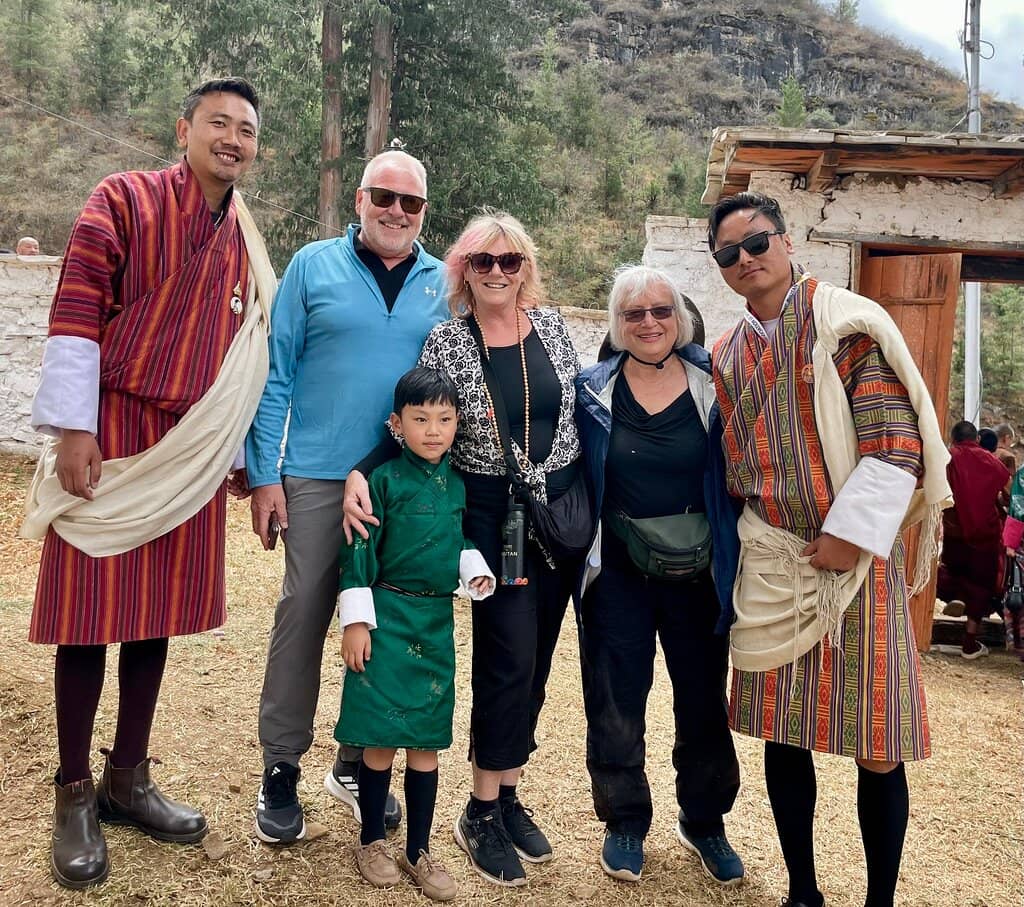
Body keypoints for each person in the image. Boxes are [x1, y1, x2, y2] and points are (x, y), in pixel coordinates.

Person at [19, 77, 273, 889]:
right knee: (90, 614)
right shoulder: (122, 199)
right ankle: (73, 791)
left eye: (246, 131)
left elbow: (246, 351)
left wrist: (233, 448)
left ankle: (128, 774)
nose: (233, 139)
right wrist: (75, 428)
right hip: (114, 429)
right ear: (185, 128)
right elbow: (77, 307)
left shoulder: (243, 238)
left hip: (191, 443)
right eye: (219, 124)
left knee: (153, 612)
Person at [708, 191, 951, 907]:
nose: (746, 259)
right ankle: (803, 891)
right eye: (729, 253)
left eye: (757, 243)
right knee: (784, 732)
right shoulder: (728, 351)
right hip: (775, 558)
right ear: (719, 266)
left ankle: (879, 900)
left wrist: (846, 540)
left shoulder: (845, 326)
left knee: (878, 740)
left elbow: (895, 445)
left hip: (854, 568)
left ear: (787, 242)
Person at [345, 211, 583, 887]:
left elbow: (577, 416)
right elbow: (417, 421)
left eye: (510, 261)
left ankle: (507, 792)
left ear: (526, 266)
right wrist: (362, 469)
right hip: (489, 515)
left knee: (536, 664)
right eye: (484, 262)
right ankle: (478, 811)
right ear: (464, 272)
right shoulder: (448, 343)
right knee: (507, 660)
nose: (499, 273)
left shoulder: (557, 327)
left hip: (559, 517)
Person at [244, 149, 448, 844]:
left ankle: (359, 761)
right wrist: (264, 472)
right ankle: (281, 765)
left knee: (384, 625)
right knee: (305, 613)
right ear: (359, 199)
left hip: (402, 485)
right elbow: (276, 371)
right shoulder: (312, 266)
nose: (396, 211)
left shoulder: (441, 281)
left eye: (411, 203)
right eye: (383, 197)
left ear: (425, 211)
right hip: (318, 475)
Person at [574, 266, 742, 885]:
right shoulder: (590, 392)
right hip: (617, 571)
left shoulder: (714, 384)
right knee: (616, 700)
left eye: (661, 311)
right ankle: (624, 819)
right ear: (616, 327)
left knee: (702, 700)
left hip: (700, 573)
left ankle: (704, 821)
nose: (649, 322)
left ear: (682, 318)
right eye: (634, 314)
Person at [336, 367, 494, 900]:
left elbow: (459, 535)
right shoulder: (381, 481)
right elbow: (358, 549)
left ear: (457, 424)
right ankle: (372, 839)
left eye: (445, 419)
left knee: (426, 743)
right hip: (386, 617)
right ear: (396, 423)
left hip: (435, 624)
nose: (433, 430)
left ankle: (418, 848)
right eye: (420, 418)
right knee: (380, 741)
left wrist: (471, 568)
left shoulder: (457, 483)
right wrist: (357, 621)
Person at [937, 421, 1013, 658]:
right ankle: (969, 644)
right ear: (977, 440)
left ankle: (957, 598)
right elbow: (1009, 493)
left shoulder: (947, 458)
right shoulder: (992, 461)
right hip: (985, 534)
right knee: (982, 585)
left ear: (952, 439)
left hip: (954, 532)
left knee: (951, 570)